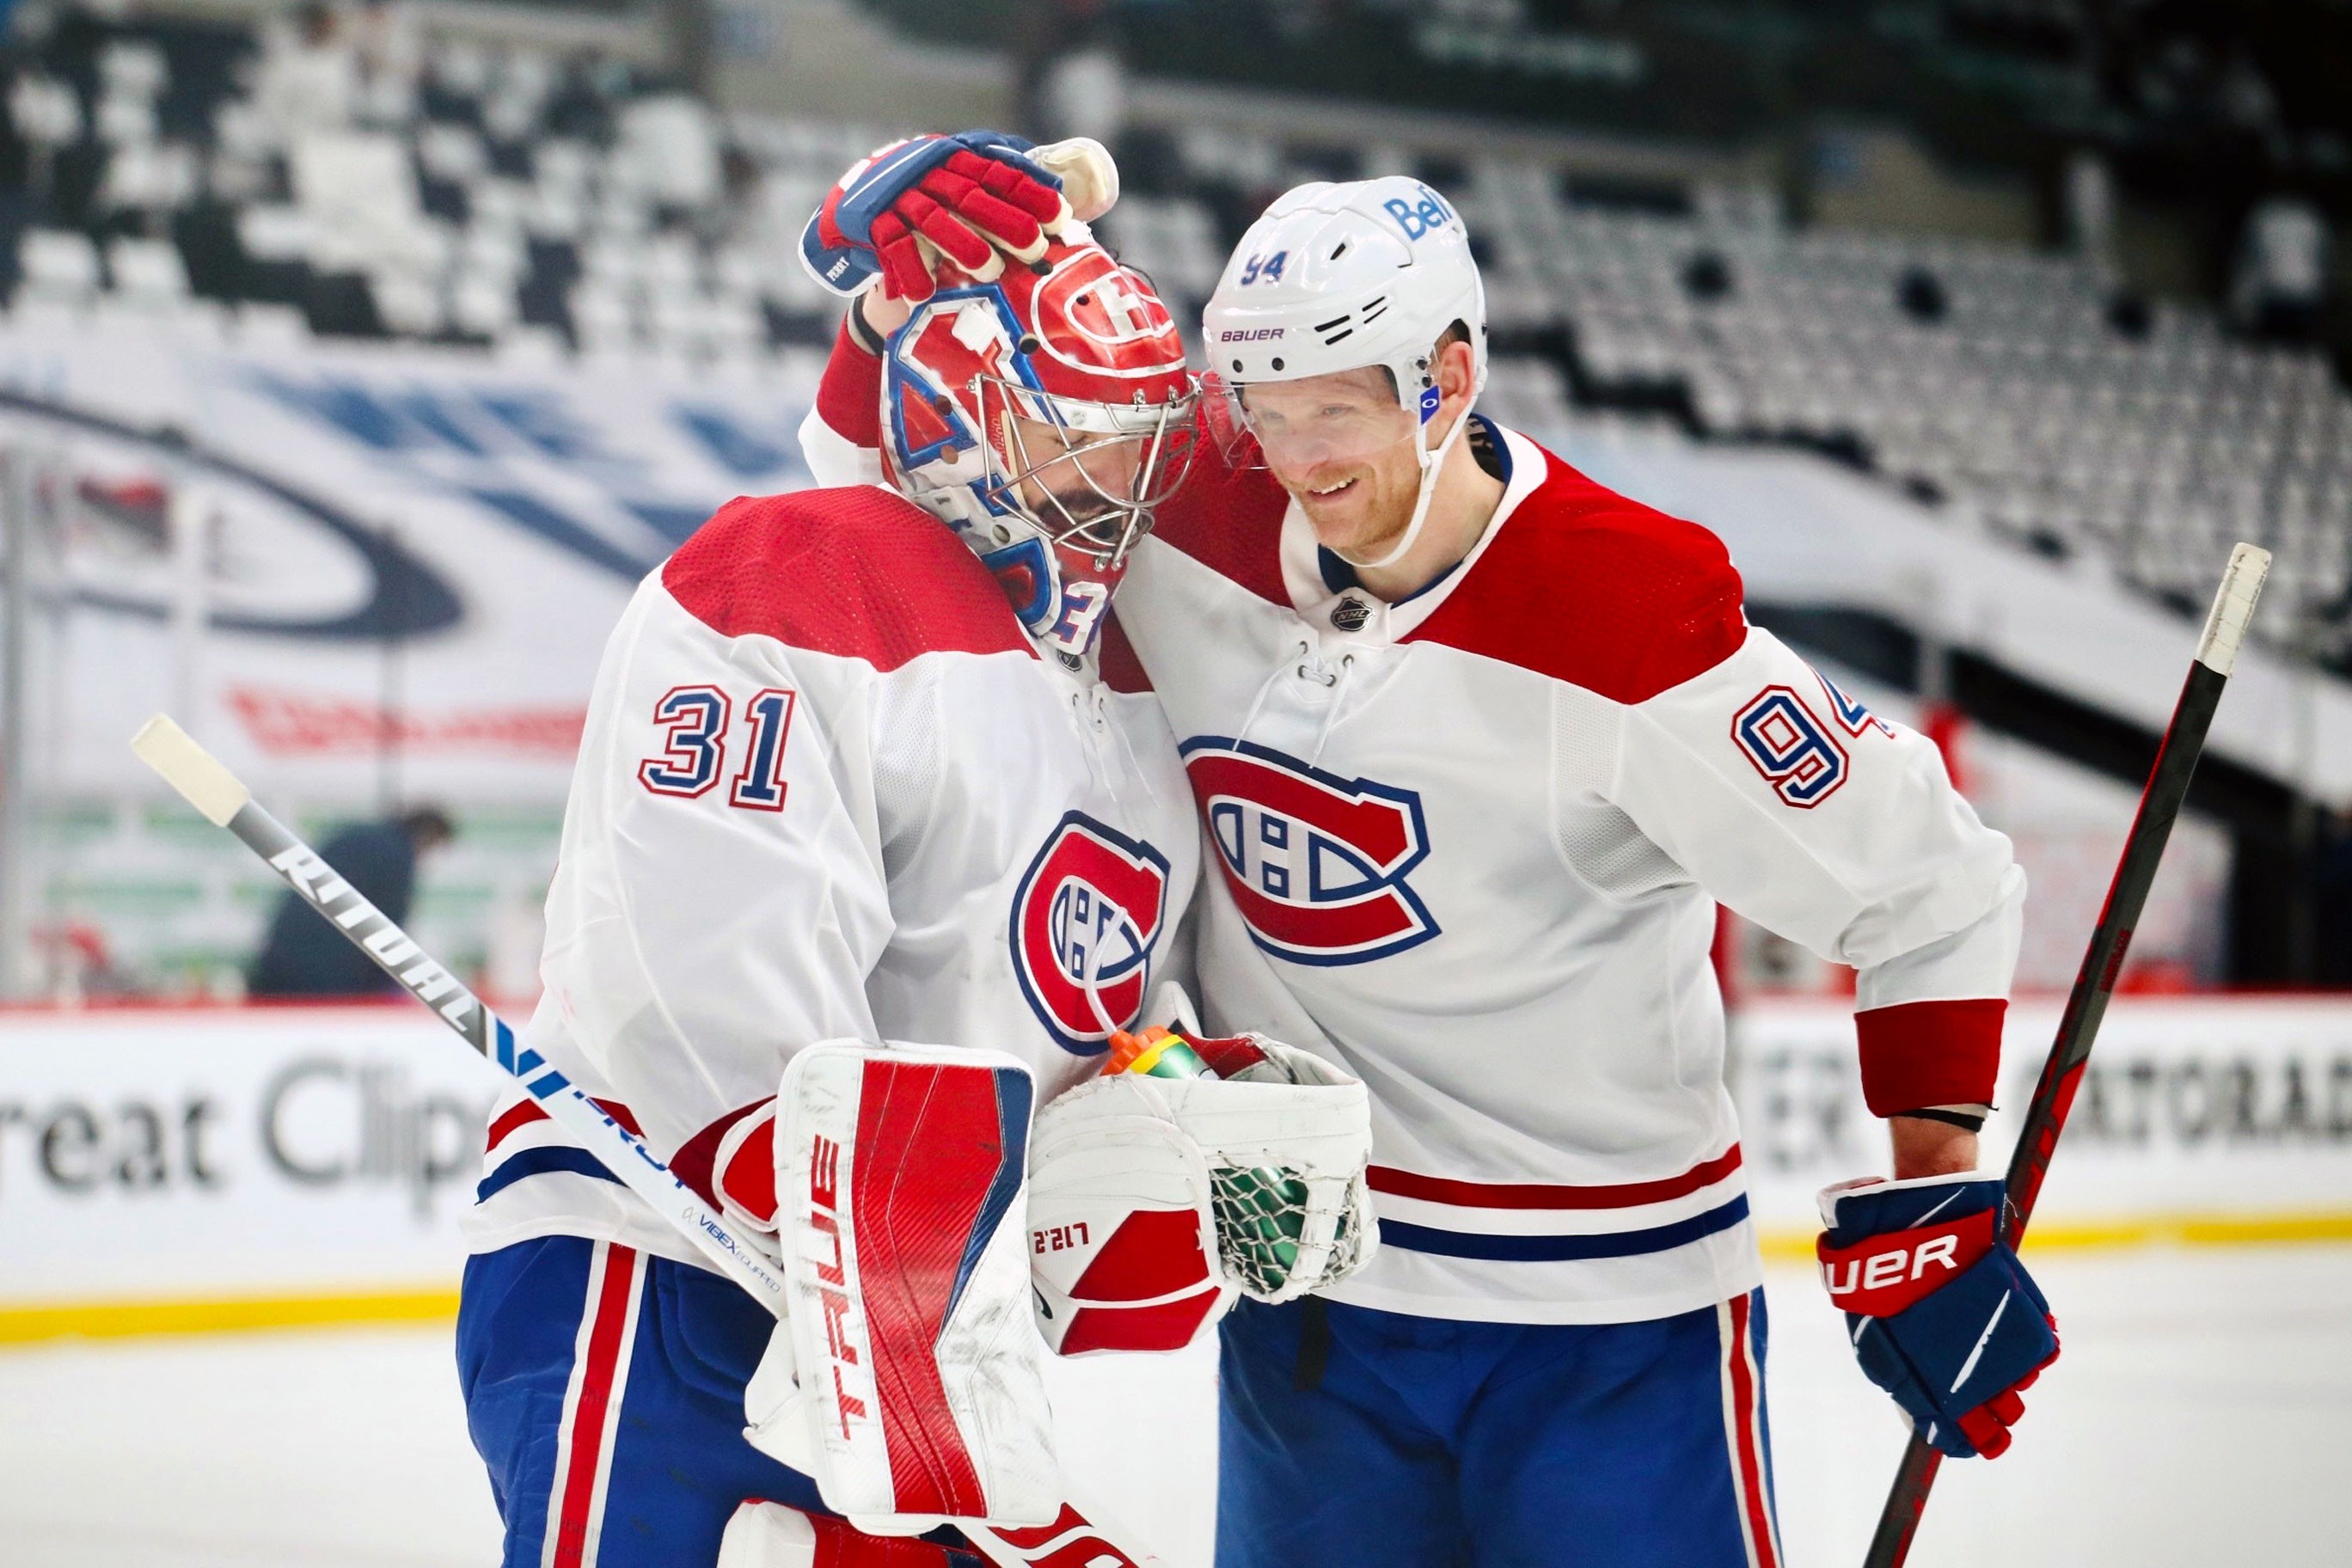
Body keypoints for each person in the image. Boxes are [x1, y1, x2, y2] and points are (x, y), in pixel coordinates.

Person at [804, 147, 2058, 1568]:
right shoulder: (1188, 493)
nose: (1298, 454)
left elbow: (1930, 888)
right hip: (1313, 1299)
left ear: (1448, 377)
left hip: (1611, 1327)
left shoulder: (1627, 609)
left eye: (1336, 405)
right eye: (1266, 407)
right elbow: (896, 505)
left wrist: (1935, 1199)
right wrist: (884, 321)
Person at [455, 145, 1371, 1568]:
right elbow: (698, 988)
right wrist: (875, 1253)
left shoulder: (1136, 686)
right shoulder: (796, 575)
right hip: (665, 1276)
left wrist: (1171, 1119)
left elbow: (1082, 1032)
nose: (1119, 475)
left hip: (916, 1337)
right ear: (956, 423)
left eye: (1138, 435)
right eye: (1073, 434)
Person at [249, 805, 452, 996]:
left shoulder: (357, 836)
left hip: (282, 962)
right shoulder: (398, 857)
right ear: (429, 835)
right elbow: (387, 932)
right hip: (330, 977)